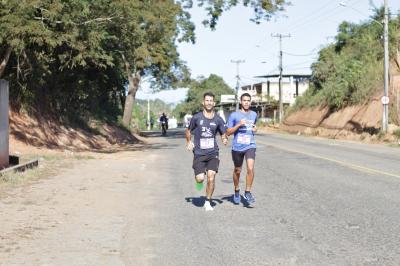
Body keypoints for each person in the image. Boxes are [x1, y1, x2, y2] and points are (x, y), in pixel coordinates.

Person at [186, 92, 228, 211]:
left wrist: (224, 139)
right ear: (203, 102)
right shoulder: (196, 117)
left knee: (211, 177)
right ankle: (199, 181)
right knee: (200, 178)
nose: (209, 103)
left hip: (212, 152)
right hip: (199, 153)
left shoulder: (218, 119)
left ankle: (208, 201)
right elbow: (188, 131)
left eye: (211, 101)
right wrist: (189, 142)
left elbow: (223, 133)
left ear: (214, 103)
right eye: (207, 100)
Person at [226, 93, 258, 205]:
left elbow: (254, 127)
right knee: (237, 170)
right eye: (244, 100)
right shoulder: (234, 115)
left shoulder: (254, 114)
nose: (246, 102)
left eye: (248, 100)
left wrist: (255, 129)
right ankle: (236, 190)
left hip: (250, 145)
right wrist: (239, 124)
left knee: (250, 168)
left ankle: (248, 192)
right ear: (241, 101)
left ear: (250, 102)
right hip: (237, 147)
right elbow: (228, 132)